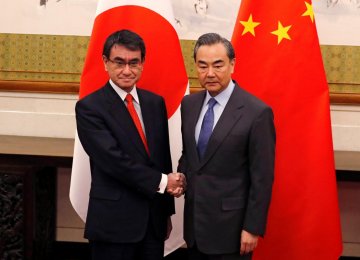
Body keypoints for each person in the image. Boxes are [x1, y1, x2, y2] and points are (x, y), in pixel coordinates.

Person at [75, 29, 185, 260]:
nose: (127, 70)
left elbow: (161, 158)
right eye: (119, 62)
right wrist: (164, 182)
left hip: (153, 224)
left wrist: (165, 212)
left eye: (134, 62)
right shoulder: (90, 107)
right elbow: (114, 161)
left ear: (143, 63)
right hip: (114, 225)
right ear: (105, 62)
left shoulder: (155, 103)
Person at [178, 33, 276, 260]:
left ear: (232, 64)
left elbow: (262, 177)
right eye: (202, 66)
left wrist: (252, 227)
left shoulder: (257, 112)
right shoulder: (189, 105)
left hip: (232, 230)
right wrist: (182, 177)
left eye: (218, 65)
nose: (210, 73)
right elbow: (191, 156)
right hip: (194, 226)